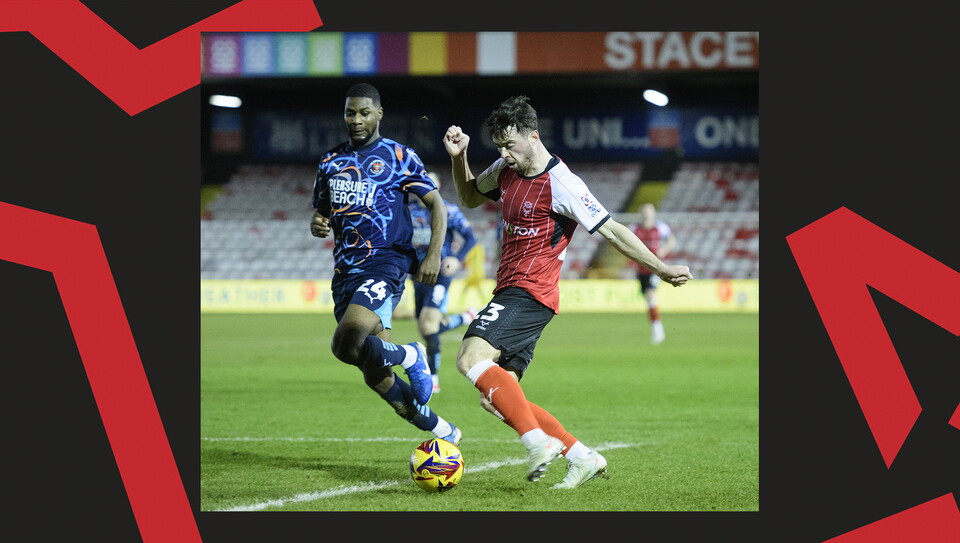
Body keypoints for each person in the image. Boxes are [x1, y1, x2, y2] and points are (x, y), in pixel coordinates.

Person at [442, 95, 691, 488]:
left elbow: (611, 229)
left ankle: (536, 441)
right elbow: (471, 197)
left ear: (533, 136)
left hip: (530, 291)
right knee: (498, 399)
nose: (506, 154)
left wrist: (659, 268)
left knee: (469, 356)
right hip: (511, 289)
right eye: (500, 147)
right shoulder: (504, 170)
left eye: (511, 145)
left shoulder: (562, 184)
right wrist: (460, 158)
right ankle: (582, 456)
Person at [309, 82, 461, 446]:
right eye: (350, 113)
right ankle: (443, 431)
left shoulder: (398, 156)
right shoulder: (331, 162)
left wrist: (434, 255)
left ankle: (413, 353)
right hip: (345, 272)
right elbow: (323, 212)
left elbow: (437, 205)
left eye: (364, 112)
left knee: (346, 343)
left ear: (378, 114)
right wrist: (318, 222)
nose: (356, 120)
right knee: (374, 372)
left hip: (385, 263)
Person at [408, 172, 479, 394]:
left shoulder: (447, 210)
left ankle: (433, 377)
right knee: (425, 326)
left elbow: (470, 237)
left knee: (428, 325)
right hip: (417, 275)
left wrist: (456, 260)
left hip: (440, 273)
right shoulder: (407, 211)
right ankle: (464, 318)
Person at [630, 202, 677, 345]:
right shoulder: (634, 228)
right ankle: (656, 326)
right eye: (644, 211)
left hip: (656, 268)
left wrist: (663, 250)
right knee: (647, 297)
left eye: (649, 211)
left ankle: (658, 330)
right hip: (641, 268)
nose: (646, 214)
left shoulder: (660, 227)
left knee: (651, 294)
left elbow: (671, 240)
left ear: (653, 213)